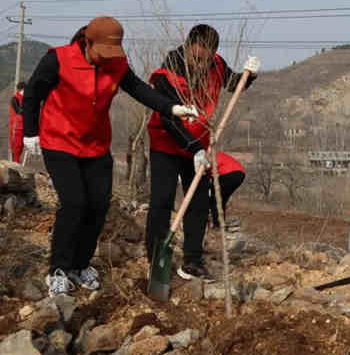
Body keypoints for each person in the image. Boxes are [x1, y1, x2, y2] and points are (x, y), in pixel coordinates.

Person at [22, 16, 198, 297]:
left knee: (98, 205)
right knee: (74, 203)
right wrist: (30, 132)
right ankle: (58, 270)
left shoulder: (116, 63)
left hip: (96, 145)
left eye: (111, 53)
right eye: (102, 52)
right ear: (87, 42)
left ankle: (80, 265)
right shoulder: (58, 59)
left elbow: (139, 89)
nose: (107, 58)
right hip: (59, 141)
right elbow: (33, 92)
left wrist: (172, 108)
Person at [145, 24, 259, 282]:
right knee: (162, 201)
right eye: (195, 58)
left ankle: (192, 261)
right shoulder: (167, 74)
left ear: (213, 54)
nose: (199, 64)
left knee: (197, 202)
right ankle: (155, 258)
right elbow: (169, 120)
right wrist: (194, 148)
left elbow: (233, 83)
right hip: (166, 143)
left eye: (204, 60)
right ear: (188, 48)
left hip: (199, 143)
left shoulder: (216, 64)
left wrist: (248, 75)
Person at [206, 151, 246, 231]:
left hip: (230, 173)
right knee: (221, 200)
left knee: (215, 198)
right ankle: (220, 224)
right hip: (240, 174)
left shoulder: (208, 156)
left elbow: (208, 173)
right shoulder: (215, 154)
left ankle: (217, 225)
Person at [9, 80, 27, 163]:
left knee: (21, 146)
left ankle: (16, 163)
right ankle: (15, 164)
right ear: (21, 89)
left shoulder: (25, 99)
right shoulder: (15, 98)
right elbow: (19, 110)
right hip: (16, 127)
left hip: (23, 126)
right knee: (16, 147)